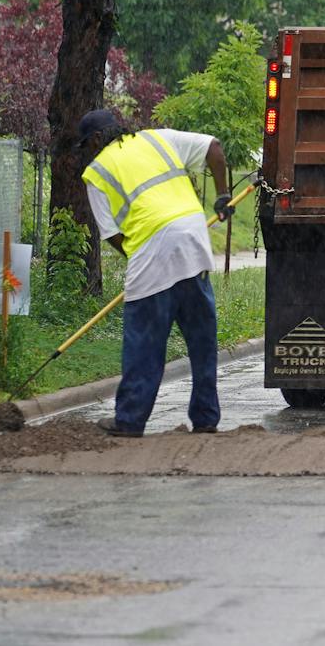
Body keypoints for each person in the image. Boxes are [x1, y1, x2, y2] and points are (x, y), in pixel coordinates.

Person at [76, 109, 235, 437]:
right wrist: (222, 196)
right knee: (202, 342)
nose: (89, 152)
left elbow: (112, 235)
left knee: (144, 345)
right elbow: (214, 149)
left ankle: (130, 421)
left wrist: (140, 258)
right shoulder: (157, 138)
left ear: (94, 140)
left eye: (87, 146)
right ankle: (205, 419)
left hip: (151, 248)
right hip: (194, 241)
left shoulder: (97, 172)